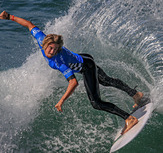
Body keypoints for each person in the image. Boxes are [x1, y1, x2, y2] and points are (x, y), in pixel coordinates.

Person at [0, 11, 143, 134]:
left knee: (96, 103)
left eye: (56, 49)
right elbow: (29, 25)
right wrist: (10, 17)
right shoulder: (41, 38)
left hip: (86, 66)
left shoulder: (59, 61)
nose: (52, 51)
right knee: (105, 80)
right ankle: (136, 94)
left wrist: (61, 101)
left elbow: (73, 82)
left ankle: (129, 118)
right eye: (51, 48)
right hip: (85, 58)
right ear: (45, 44)